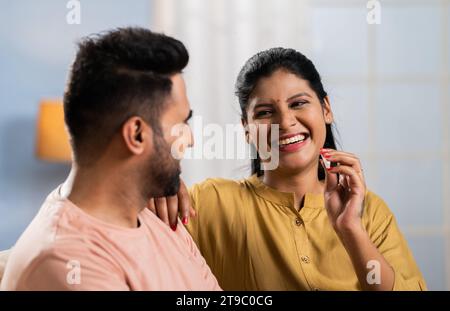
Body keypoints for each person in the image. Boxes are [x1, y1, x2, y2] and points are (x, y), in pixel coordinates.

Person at [151, 48, 427, 291]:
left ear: (326, 109)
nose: (285, 122)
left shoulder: (370, 211)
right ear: (247, 129)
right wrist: (155, 183)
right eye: (264, 113)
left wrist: (351, 229)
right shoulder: (210, 203)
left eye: (298, 104)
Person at [0, 27, 220, 291]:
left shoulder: (156, 217)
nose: (191, 140)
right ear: (136, 135)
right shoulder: (67, 263)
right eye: (181, 124)